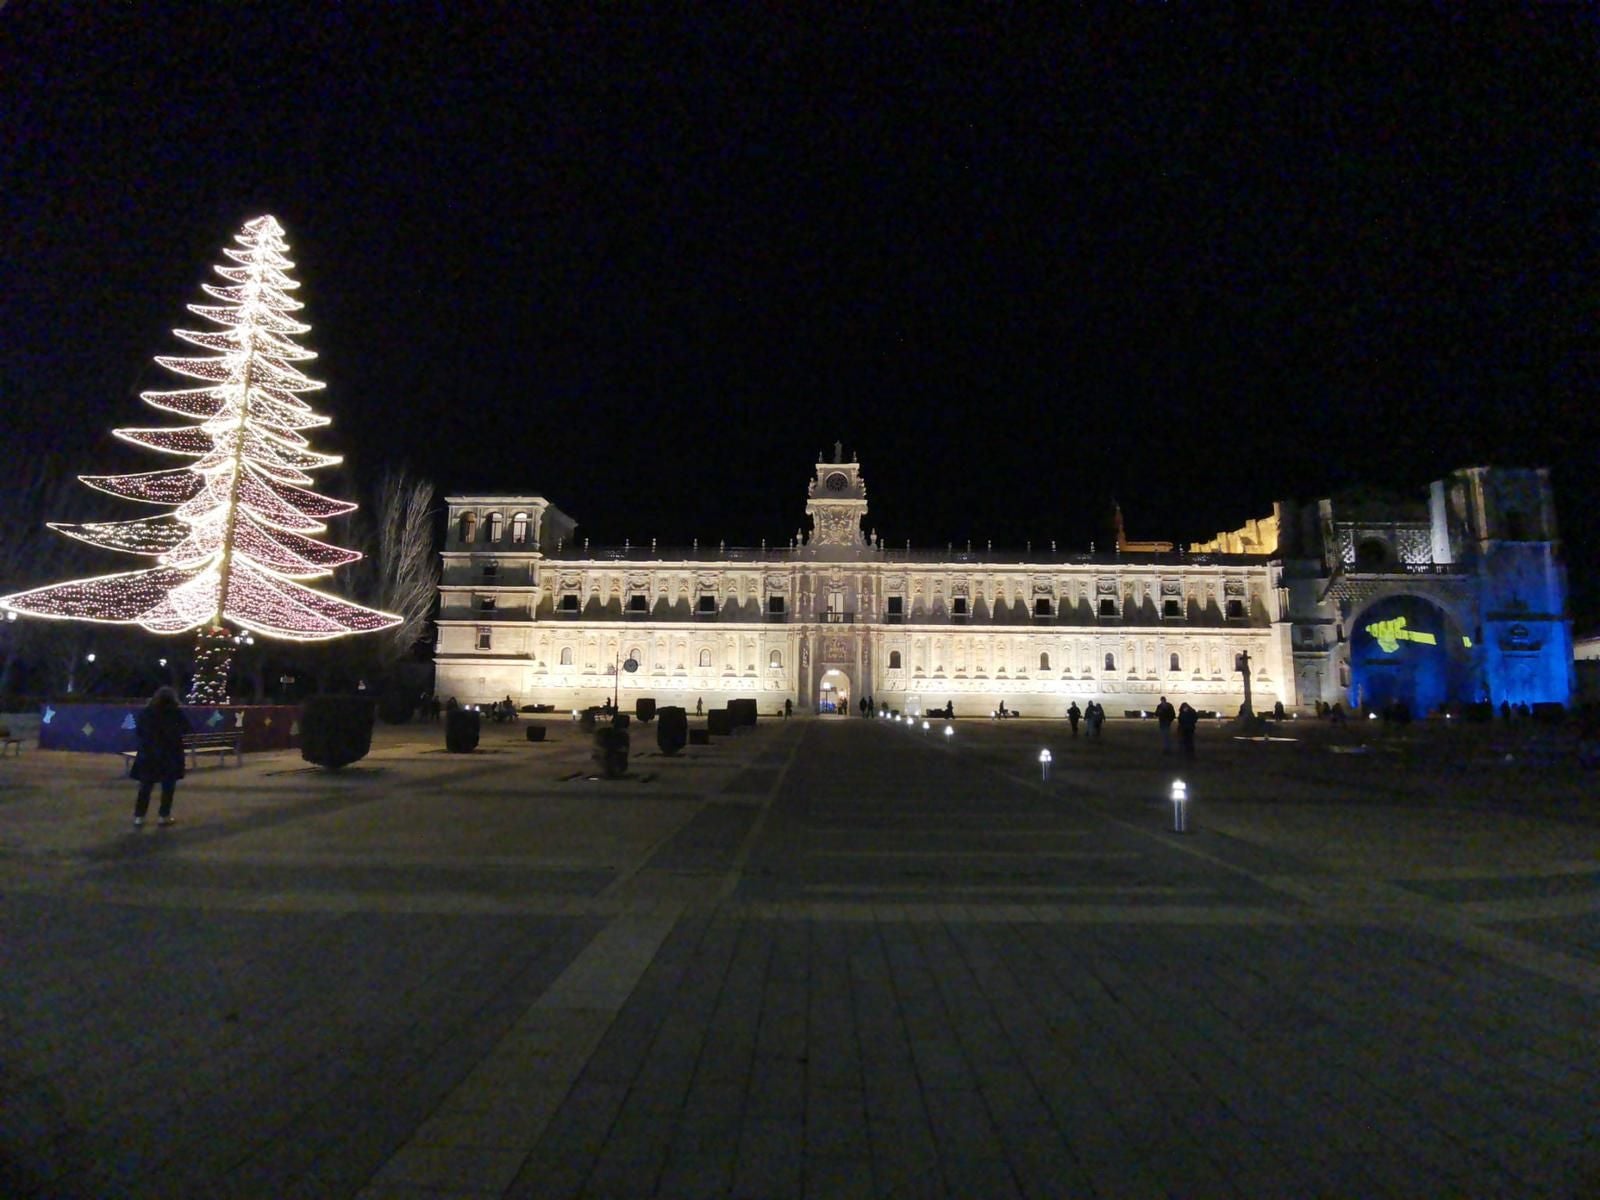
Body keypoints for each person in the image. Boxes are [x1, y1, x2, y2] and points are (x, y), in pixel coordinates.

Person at [130, 686, 192, 828]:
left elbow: (139, 731)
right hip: (170, 754)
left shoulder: (147, 712)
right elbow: (186, 729)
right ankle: (163, 816)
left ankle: (139, 816)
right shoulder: (176, 713)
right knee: (168, 787)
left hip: (149, 754)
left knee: (145, 787)